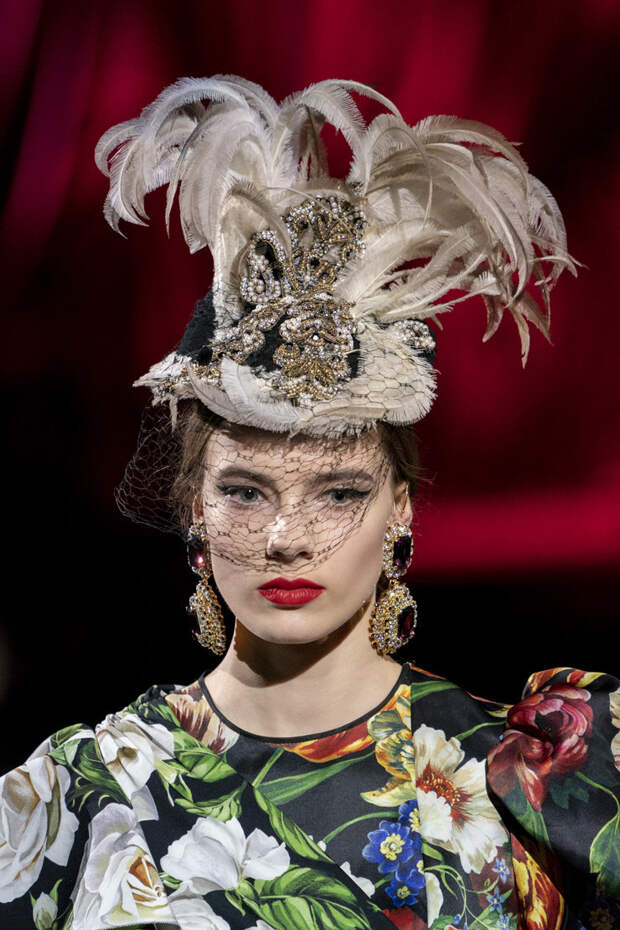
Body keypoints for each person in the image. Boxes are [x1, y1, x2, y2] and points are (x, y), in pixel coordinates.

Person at [1, 76, 618, 930]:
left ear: (401, 508)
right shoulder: (78, 797)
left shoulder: (535, 780)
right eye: (244, 491)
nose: (287, 537)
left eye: (338, 493)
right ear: (194, 508)